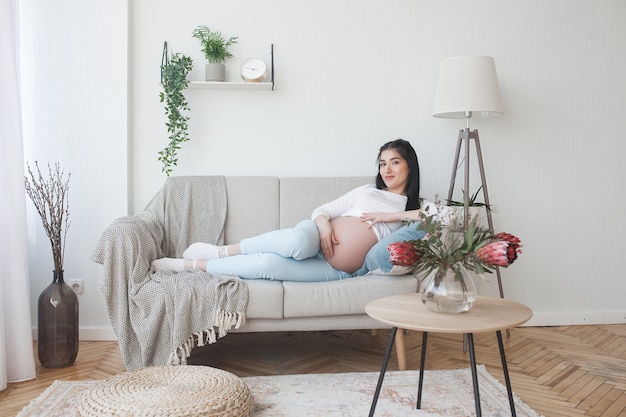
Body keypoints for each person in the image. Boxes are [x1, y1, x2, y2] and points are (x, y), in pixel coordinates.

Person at [151, 139, 428, 281]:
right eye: (382, 163)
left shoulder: (415, 212)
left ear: (409, 166)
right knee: (296, 242)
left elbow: (445, 216)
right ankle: (221, 251)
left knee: (267, 265)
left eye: (394, 162)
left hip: (336, 270)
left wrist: (393, 216)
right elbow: (323, 209)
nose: (387, 169)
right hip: (314, 235)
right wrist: (325, 225)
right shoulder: (368, 191)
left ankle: (187, 266)